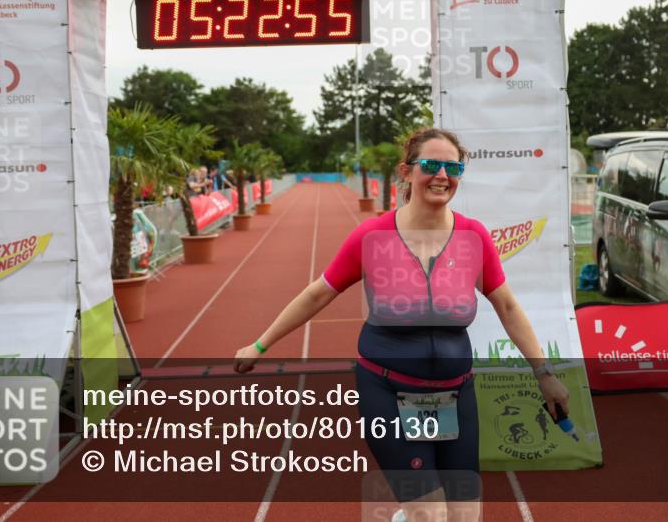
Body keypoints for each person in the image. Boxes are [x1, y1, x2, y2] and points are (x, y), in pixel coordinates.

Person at [233, 128, 569, 522]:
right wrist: (259, 346)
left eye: (453, 166)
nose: (442, 175)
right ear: (406, 172)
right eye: (430, 165)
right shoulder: (372, 236)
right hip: (387, 392)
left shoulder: (473, 236)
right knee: (432, 514)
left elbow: (508, 307)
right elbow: (317, 294)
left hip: (456, 395)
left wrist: (544, 373)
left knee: (466, 516)